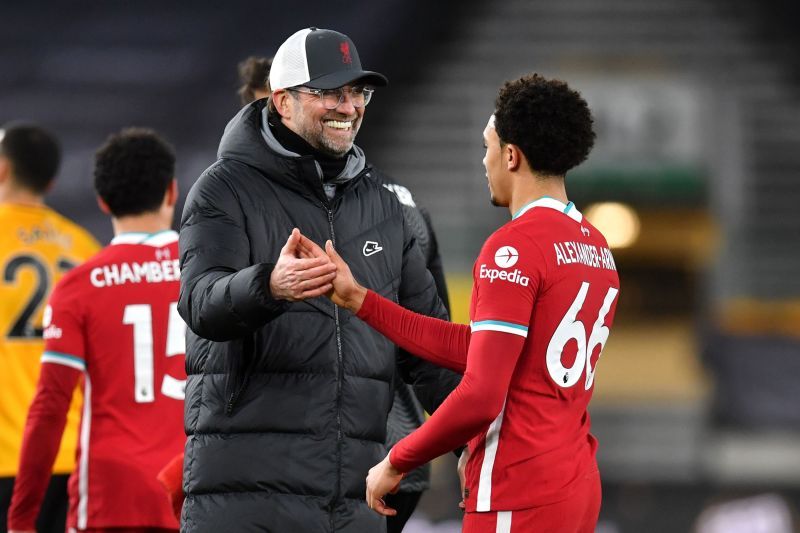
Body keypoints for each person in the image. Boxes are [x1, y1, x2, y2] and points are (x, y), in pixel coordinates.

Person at [177, 27, 460, 532]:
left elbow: (428, 345)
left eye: (358, 92)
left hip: (356, 503)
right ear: (282, 102)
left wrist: (491, 436)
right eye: (331, 92)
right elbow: (199, 303)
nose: (349, 107)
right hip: (247, 500)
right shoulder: (223, 188)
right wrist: (269, 285)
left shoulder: (383, 205)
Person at [315, 74, 621, 532]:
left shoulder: (513, 247)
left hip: (518, 489)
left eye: (487, 147)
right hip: (575, 484)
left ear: (512, 155)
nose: (484, 161)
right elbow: (483, 348)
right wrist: (360, 300)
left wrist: (397, 461)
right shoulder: (597, 247)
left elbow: (480, 395)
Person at [7, 128, 186, 533]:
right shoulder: (213, 276)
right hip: (202, 490)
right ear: (171, 192)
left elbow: (50, 406)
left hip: (111, 497)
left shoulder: (81, 284)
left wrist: (22, 517)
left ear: (102, 200)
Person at [0, 123, 99, 533]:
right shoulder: (83, 248)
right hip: (71, 454)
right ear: (52, 179)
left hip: (7, 456)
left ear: (3, 170)